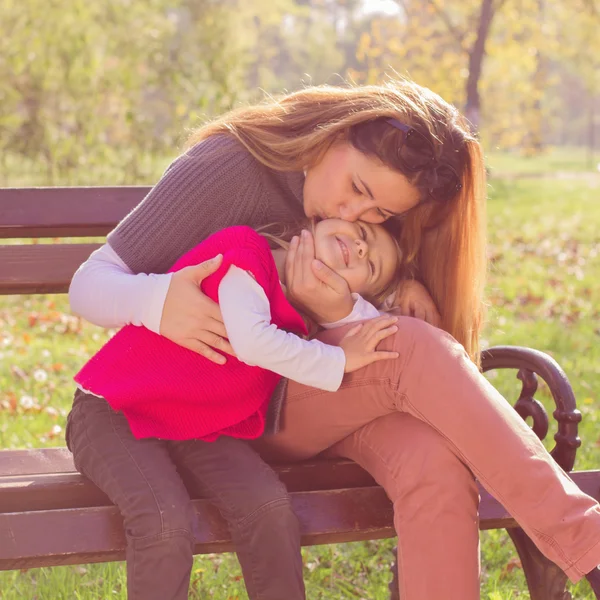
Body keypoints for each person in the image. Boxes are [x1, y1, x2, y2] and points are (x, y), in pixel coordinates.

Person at [66, 78, 600, 599]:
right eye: (358, 190)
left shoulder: (362, 220)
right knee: (409, 348)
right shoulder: (228, 169)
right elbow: (91, 282)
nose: (352, 215)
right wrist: (158, 303)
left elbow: (371, 275)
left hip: (321, 392)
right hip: (230, 407)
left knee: (431, 463)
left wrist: (399, 284)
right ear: (336, 133)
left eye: (379, 214)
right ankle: (591, 545)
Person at [73, 218, 403, 442]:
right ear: (318, 219)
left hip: (191, 431)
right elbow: (254, 342)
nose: (361, 247)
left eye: (371, 266)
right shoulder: (247, 252)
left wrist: (401, 293)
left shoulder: (301, 323)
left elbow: (366, 328)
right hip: (114, 409)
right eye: (364, 231)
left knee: (268, 510)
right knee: (161, 518)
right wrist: (340, 360)